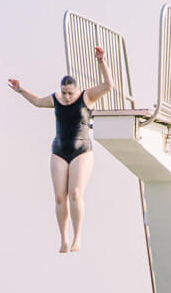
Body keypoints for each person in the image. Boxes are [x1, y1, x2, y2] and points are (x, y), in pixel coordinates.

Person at [7, 47, 114, 253]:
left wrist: (101, 62)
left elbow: (108, 85)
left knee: (75, 193)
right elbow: (38, 102)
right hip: (59, 150)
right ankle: (64, 239)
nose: (66, 97)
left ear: (77, 90)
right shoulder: (56, 99)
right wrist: (21, 90)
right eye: (64, 93)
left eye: (69, 93)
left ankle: (77, 238)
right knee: (59, 197)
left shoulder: (87, 97)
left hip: (82, 151)